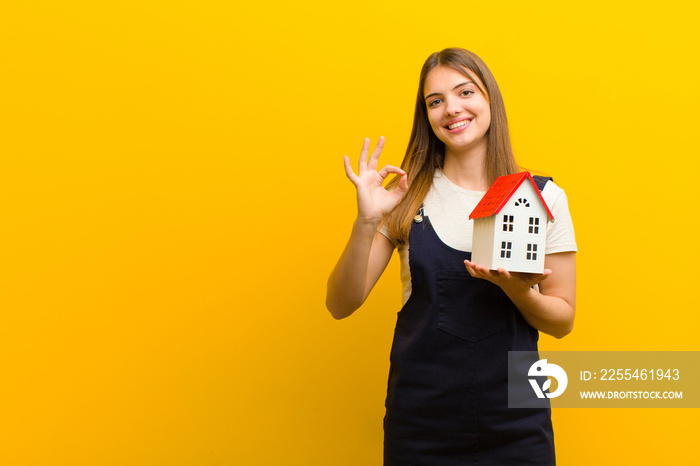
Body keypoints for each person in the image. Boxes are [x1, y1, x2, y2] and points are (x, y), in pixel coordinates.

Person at [326, 48, 577, 465]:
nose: (451, 109)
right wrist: (367, 221)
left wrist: (519, 292)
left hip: (517, 425)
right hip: (422, 425)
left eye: (465, 92)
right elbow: (340, 304)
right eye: (435, 101)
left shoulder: (542, 197)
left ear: (489, 100)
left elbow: (563, 320)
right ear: (426, 116)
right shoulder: (405, 199)